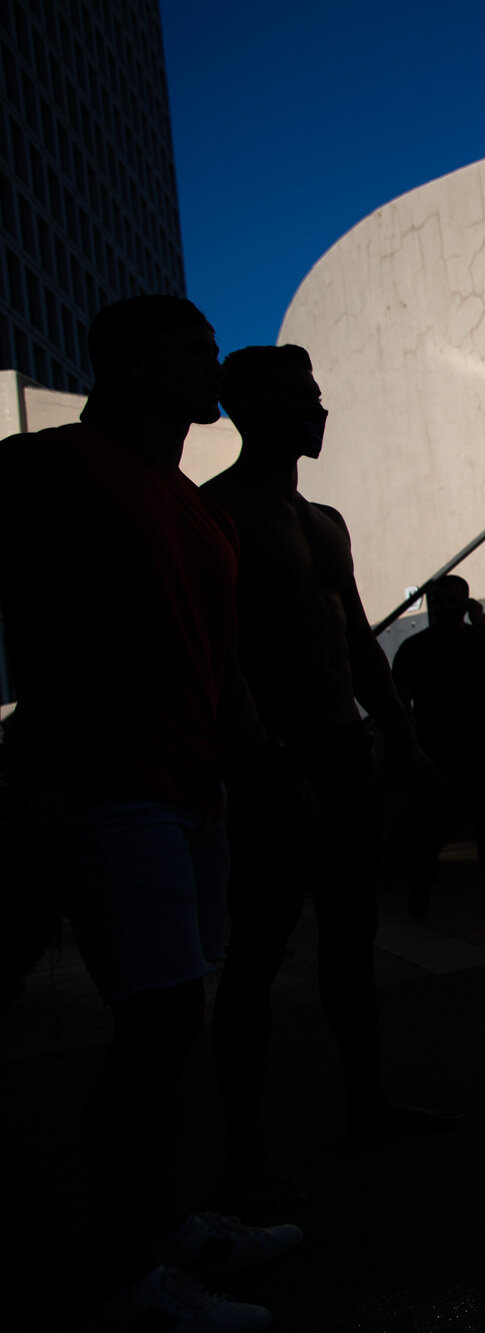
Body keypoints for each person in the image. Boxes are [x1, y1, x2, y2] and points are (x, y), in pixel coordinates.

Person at [0, 297, 298, 1331]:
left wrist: (249, 758)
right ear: (130, 365)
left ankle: (164, 1229)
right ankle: (128, 1281)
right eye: (195, 351)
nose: (214, 368)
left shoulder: (195, 505)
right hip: (104, 783)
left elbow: (218, 660)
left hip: (191, 789)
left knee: (172, 1019)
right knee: (155, 1020)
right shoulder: (49, 468)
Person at [202, 344, 463, 1210]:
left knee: (352, 940)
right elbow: (215, 654)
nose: (319, 409)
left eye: (318, 393)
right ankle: (244, 1147)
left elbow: (355, 640)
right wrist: (252, 757)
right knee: (256, 954)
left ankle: (367, 1101)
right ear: (249, 407)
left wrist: (401, 737)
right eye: (300, 396)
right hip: (277, 764)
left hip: (344, 757)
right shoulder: (217, 516)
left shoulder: (325, 521)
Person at [391, 573, 485, 917]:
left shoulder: (474, 640)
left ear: (464, 604)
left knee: (484, 821)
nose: (442, 609)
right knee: (434, 824)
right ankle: (426, 888)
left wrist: (480, 625)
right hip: (437, 747)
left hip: (475, 744)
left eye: (450, 602)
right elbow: (400, 701)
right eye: (438, 602)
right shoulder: (416, 648)